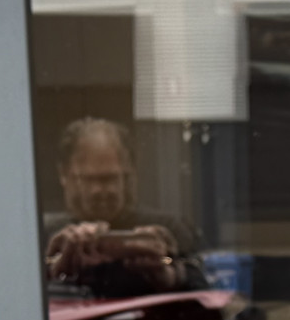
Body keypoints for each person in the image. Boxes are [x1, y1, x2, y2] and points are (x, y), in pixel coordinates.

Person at [44, 117, 204, 298]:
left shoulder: (169, 230)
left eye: (110, 179)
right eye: (88, 180)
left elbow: (206, 295)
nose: (98, 190)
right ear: (64, 175)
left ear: (129, 175)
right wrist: (54, 269)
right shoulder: (44, 236)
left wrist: (171, 275)